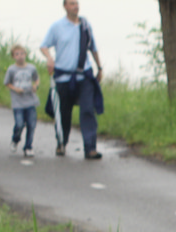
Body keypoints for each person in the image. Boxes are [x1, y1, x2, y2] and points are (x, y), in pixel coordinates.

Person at [40, 0, 104, 159]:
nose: (75, 6)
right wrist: (49, 59)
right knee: (64, 112)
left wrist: (99, 67)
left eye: (76, 3)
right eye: (72, 3)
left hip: (84, 76)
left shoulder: (85, 26)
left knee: (88, 110)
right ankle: (61, 142)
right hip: (64, 77)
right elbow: (44, 46)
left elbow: (93, 47)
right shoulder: (57, 27)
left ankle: (90, 147)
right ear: (65, 7)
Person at [4, 45, 40, 157]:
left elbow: (36, 79)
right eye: (17, 54)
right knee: (19, 124)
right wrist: (15, 89)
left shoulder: (31, 68)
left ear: (25, 54)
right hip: (18, 102)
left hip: (30, 101)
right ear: (13, 56)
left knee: (31, 124)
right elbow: (7, 83)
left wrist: (35, 86)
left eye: (22, 54)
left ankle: (28, 147)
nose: (20, 56)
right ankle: (15, 139)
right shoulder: (11, 69)